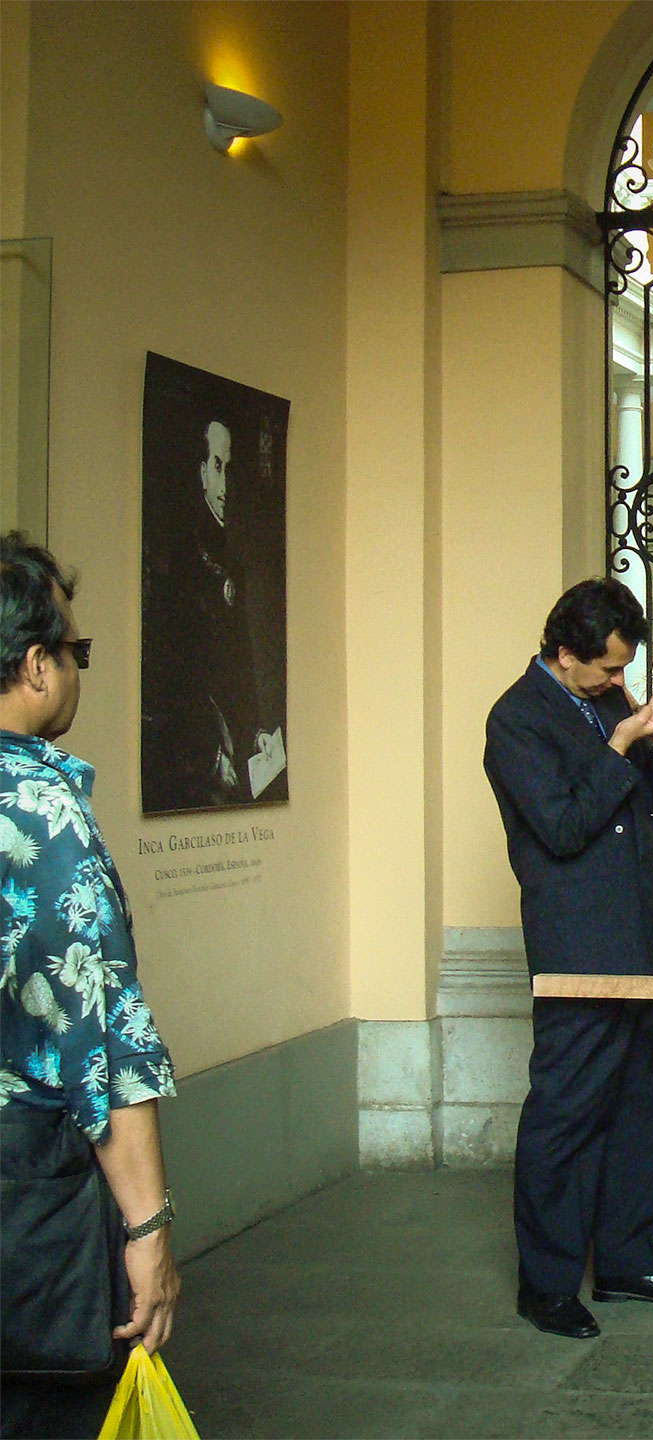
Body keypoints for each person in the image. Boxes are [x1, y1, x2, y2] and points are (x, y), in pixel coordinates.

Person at [483, 578, 653, 1341]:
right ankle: (546, 1285)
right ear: (564, 651)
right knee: (568, 1110)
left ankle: (626, 1262)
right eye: (608, 670)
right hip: (578, 940)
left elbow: (642, 805)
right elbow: (562, 827)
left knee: (645, 1103)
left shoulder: (607, 699)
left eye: (623, 670)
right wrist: (619, 745)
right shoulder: (515, 720)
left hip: (641, 932)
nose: (620, 683)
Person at [0, 533, 180, 1439]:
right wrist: (147, 1229)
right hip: (24, 1187)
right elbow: (99, 1037)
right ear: (36, 666)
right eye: (76, 652)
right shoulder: (41, 812)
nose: (77, 669)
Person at [142, 416, 286, 811]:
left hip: (235, 748)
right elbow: (175, 671)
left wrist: (255, 729)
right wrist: (210, 754)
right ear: (203, 473)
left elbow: (239, 662)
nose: (226, 484)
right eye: (218, 467)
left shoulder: (231, 561)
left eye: (231, 469)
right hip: (201, 755)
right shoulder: (183, 558)